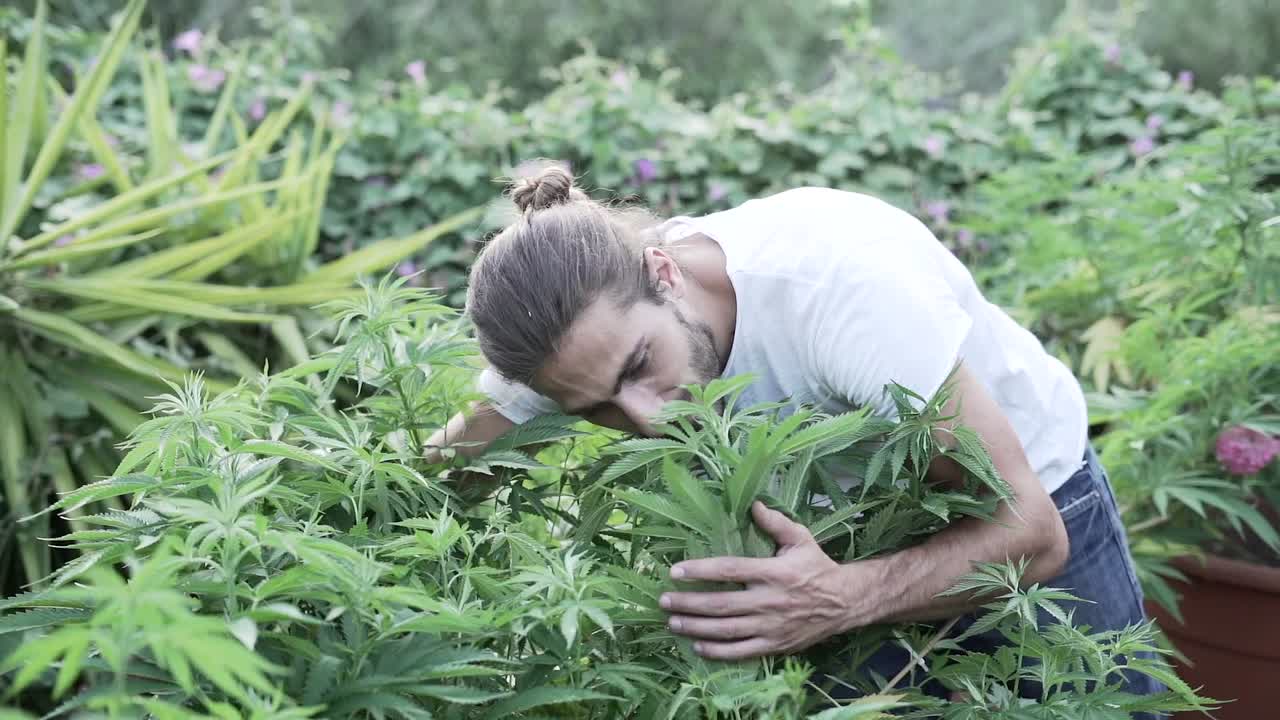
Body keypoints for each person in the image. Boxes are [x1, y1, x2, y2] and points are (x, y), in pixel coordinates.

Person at [426, 163, 1163, 701]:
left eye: (642, 366)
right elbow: (440, 472)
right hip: (842, 547)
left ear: (664, 271)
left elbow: (1031, 532)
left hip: (1029, 503)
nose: (649, 420)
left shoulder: (837, 292)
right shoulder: (572, 343)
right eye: (594, 410)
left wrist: (843, 600)